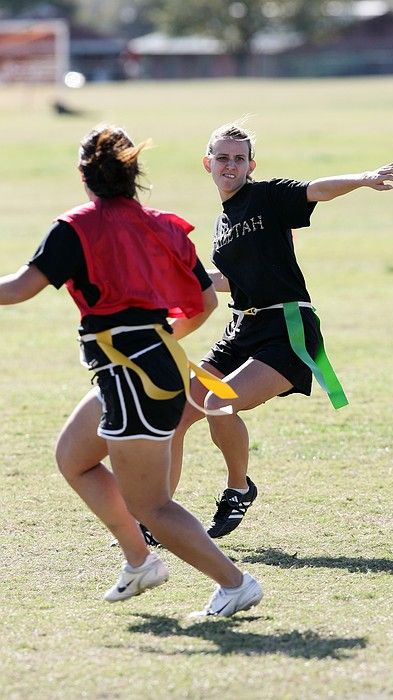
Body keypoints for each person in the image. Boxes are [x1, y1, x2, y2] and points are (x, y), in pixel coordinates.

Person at [0, 124, 262, 617]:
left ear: (84, 175)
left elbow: (17, 289)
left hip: (133, 378)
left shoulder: (74, 227)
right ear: (133, 173)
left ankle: (235, 583)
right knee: (73, 457)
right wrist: (158, 343)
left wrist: (138, 350)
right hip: (146, 370)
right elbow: (204, 303)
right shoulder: (163, 225)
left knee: (153, 506)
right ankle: (140, 562)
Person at [167, 120, 393, 539]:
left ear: (250, 164)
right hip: (242, 328)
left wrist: (364, 178)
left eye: (239, 159)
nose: (230, 165)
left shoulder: (269, 196)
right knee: (178, 414)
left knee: (220, 403)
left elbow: (317, 189)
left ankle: (238, 489)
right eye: (222, 158)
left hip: (286, 325)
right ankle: (157, 516)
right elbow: (229, 281)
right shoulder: (222, 223)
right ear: (207, 163)